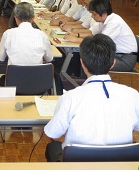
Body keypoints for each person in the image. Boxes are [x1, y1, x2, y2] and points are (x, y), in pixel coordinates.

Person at [44, 34, 139, 162]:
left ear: (82, 62)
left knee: (53, 147)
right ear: (113, 63)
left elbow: (53, 134)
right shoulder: (132, 95)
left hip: (79, 164)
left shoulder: (71, 97)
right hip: (120, 164)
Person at [65, 0, 137, 71]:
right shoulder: (104, 20)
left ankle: (82, 81)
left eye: (94, 14)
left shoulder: (114, 22)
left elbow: (99, 42)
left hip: (125, 59)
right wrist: (76, 35)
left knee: (90, 62)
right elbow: (92, 33)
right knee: (84, 57)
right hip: (115, 55)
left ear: (103, 14)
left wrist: (75, 39)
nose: (92, 16)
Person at [0, 2, 54, 87]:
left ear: (15, 18)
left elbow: (1, 58)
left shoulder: (8, 34)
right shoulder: (41, 35)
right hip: (38, 83)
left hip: (14, 82)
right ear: (33, 18)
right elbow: (49, 58)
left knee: (2, 80)